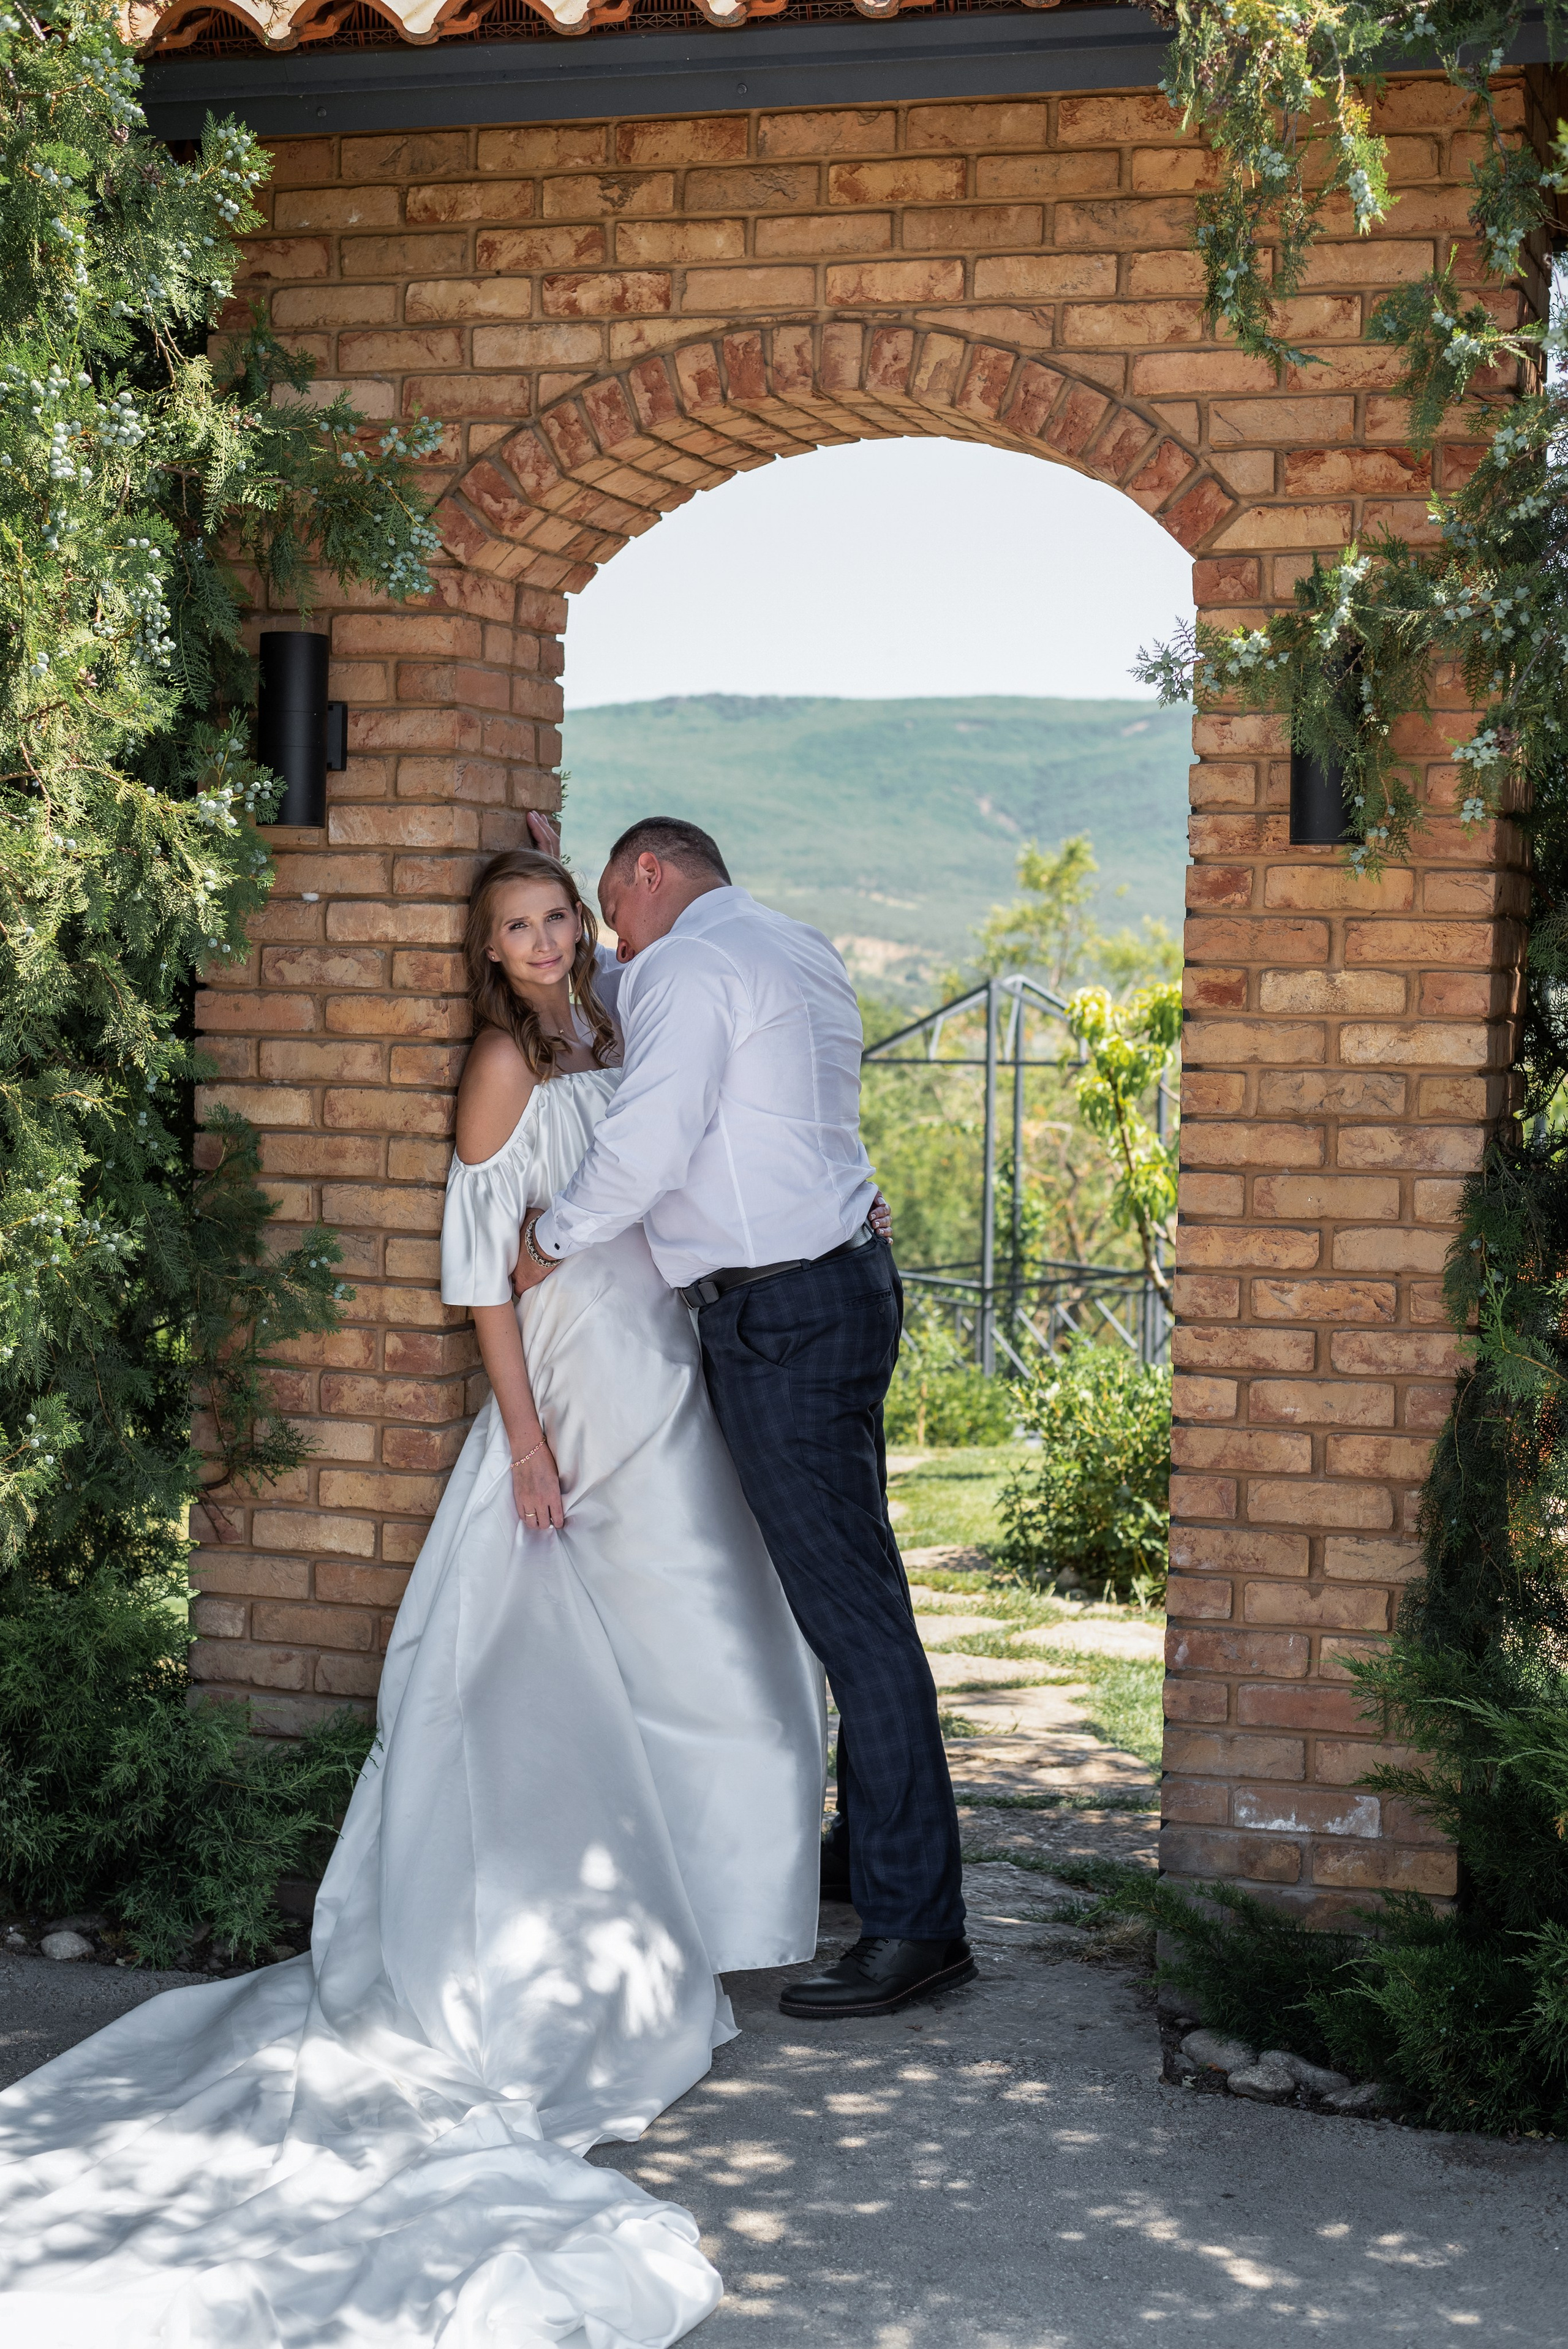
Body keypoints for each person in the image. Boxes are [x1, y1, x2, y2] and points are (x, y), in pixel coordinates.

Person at [0, 844, 828, 2349]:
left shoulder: (622, 1020)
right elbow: (479, 1275)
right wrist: (520, 1436)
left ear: (585, 919)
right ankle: (598, 1926)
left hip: (669, 1358)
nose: (539, 939)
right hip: (576, 1380)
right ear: (484, 949)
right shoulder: (503, 1066)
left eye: (553, 915)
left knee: (707, 1640)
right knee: (584, 1653)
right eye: (511, 926)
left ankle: (702, 1905)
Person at [512, 814, 970, 2023]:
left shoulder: (691, 966)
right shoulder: (787, 943)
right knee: (854, 1592)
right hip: (841, 1286)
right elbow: (630, 994)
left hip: (779, 1317)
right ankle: (874, 1856)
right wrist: (557, 890)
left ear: (648, 874)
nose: (608, 939)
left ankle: (918, 1924)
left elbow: (649, 1140)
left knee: (851, 1617)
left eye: (610, 905)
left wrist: (547, 1241)